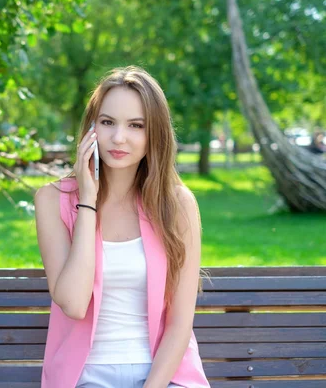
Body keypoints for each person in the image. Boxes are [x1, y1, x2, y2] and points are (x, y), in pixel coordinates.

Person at [34, 66, 210, 388]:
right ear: (91, 128)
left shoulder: (178, 205)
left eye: (136, 125)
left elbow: (180, 325)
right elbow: (73, 304)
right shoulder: (51, 201)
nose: (118, 137)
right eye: (107, 122)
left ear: (153, 133)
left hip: (165, 376)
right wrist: (87, 199)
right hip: (85, 376)